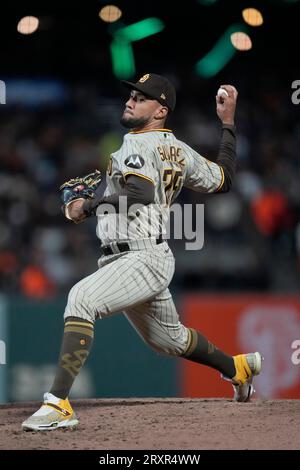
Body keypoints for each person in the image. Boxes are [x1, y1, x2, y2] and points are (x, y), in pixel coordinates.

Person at [22, 73, 262, 431]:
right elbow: (224, 177)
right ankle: (237, 368)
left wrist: (86, 206)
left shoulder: (136, 144)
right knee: (171, 340)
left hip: (140, 256)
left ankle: (58, 405)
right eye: (131, 95)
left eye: (141, 97)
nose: (130, 101)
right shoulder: (179, 149)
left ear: (160, 110)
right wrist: (227, 123)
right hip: (143, 255)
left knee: (81, 298)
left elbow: (140, 194)